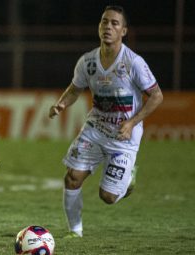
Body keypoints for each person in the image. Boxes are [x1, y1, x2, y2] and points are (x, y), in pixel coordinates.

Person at [49, 5, 163, 239]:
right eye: (104, 22)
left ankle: (128, 176)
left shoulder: (133, 63)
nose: (108, 27)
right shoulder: (87, 61)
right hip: (95, 130)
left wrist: (132, 123)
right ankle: (75, 232)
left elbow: (157, 96)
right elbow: (75, 89)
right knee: (72, 177)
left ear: (124, 31)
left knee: (107, 197)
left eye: (114, 23)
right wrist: (61, 104)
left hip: (123, 137)